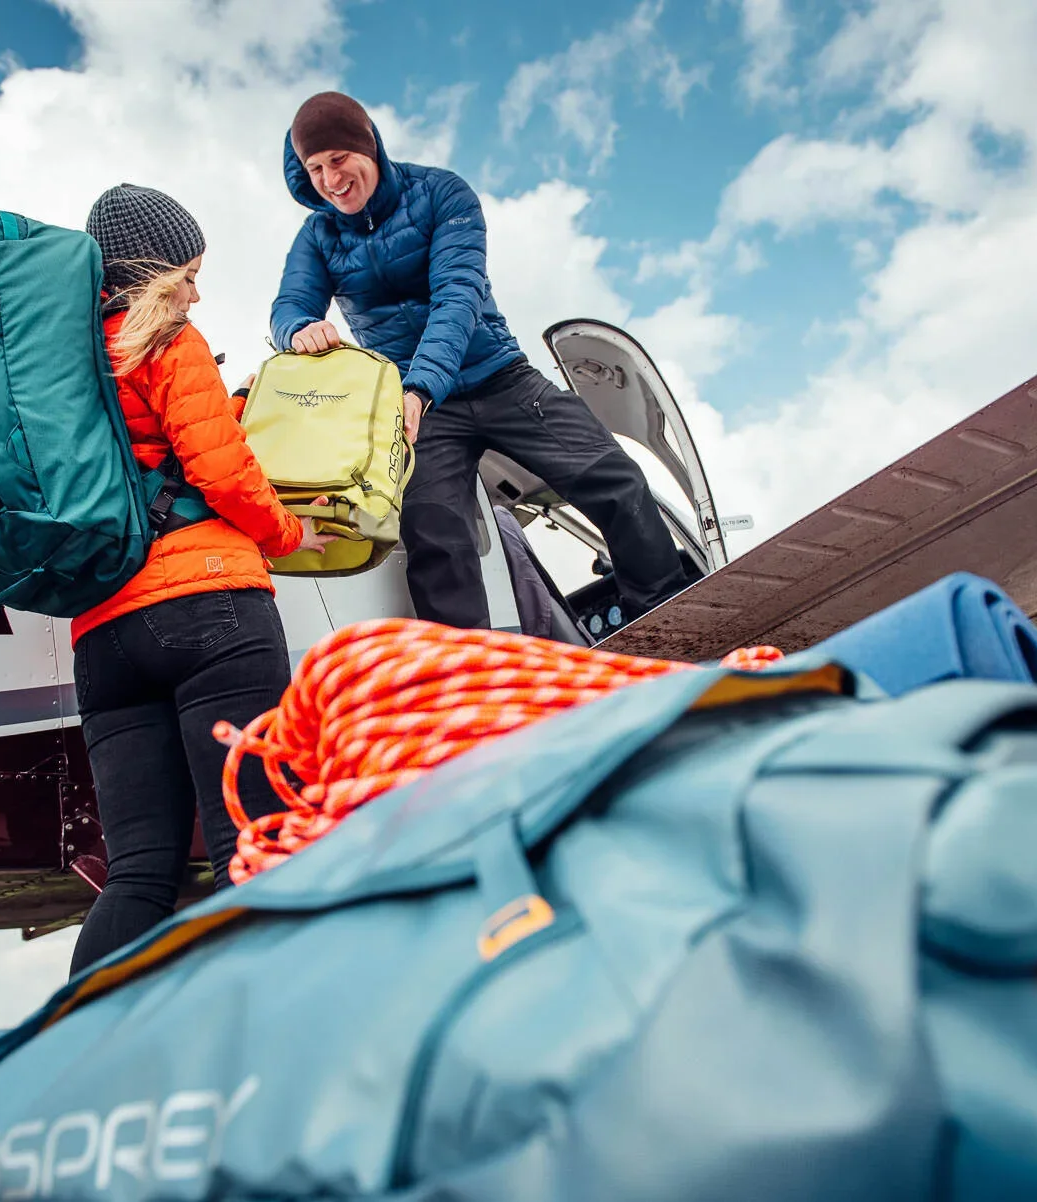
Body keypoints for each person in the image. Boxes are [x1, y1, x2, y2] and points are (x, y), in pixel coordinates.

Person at [271, 91, 690, 632]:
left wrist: (421, 388)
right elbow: (289, 306)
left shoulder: (442, 193)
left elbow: (457, 296)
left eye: (339, 160)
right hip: (414, 407)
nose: (331, 179)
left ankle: (667, 625)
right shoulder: (318, 236)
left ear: (368, 146)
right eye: (316, 168)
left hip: (497, 377)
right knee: (435, 538)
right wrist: (299, 330)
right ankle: (476, 676)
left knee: (615, 479)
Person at [69, 183, 331, 975]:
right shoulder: (165, 339)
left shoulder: (59, 359)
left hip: (103, 635)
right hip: (209, 612)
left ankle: (70, 1054)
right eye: (186, 271)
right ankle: (282, 1050)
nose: (195, 289)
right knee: (253, 848)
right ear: (150, 273)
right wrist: (290, 532)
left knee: (140, 873)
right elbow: (220, 473)